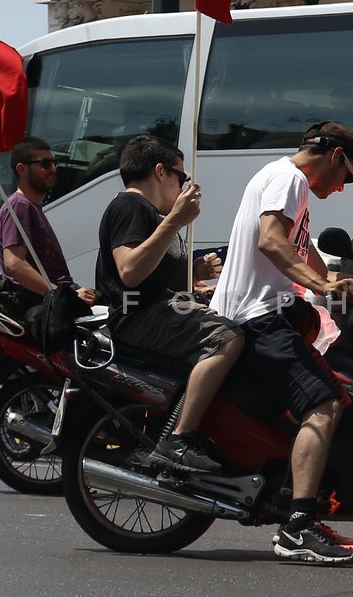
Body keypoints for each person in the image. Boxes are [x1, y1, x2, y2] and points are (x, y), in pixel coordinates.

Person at [209, 121, 353, 564]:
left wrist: (341, 279)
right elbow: (272, 242)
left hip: (264, 315)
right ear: (335, 156)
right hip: (259, 318)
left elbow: (300, 249)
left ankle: (295, 501)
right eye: (347, 177)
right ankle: (296, 527)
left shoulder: (284, 180)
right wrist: (321, 284)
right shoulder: (289, 179)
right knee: (326, 402)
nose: (340, 190)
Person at [97, 135, 244, 474]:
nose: (183, 186)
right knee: (228, 338)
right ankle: (178, 440)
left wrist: (194, 272)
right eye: (182, 177)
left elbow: (153, 272)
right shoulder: (131, 206)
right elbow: (130, 272)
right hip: (140, 318)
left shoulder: (150, 214)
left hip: (157, 311)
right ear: (160, 172)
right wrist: (175, 220)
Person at [0, 137, 96, 311]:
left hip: (56, 300)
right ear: (22, 169)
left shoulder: (30, 207)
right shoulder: (19, 205)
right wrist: (63, 295)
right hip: (48, 306)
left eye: (54, 163)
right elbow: (14, 264)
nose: (53, 169)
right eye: (45, 164)